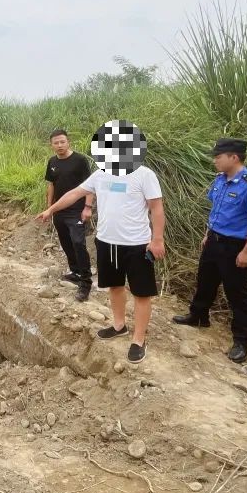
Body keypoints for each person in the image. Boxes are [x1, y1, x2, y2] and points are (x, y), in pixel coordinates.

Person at [38, 156, 165, 364]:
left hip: (137, 244)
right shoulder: (101, 174)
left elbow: (156, 207)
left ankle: (139, 340)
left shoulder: (144, 175)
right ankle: (119, 326)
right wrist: (51, 209)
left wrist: (157, 239)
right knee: (115, 286)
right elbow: (74, 194)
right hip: (107, 242)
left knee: (142, 293)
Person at [173, 138, 247, 363]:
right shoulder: (220, 180)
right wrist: (207, 234)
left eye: (218, 156)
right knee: (205, 281)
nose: (215, 160)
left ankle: (241, 341)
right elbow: (216, 210)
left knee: (238, 294)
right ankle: (198, 316)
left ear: (233, 157)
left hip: (234, 246)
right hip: (214, 240)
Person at [44, 129, 95, 302]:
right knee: (66, 242)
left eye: (62, 142)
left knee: (78, 242)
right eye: (56, 143)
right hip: (59, 211)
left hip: (77, 211)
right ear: (51, 145)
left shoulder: (79, 160)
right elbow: (51, 185)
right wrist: (50, 208)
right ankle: (75, 271)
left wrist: (87, 207)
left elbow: (90, 185)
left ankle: (85, 282)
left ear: (68, 142)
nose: (59, 145)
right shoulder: (52, 162)